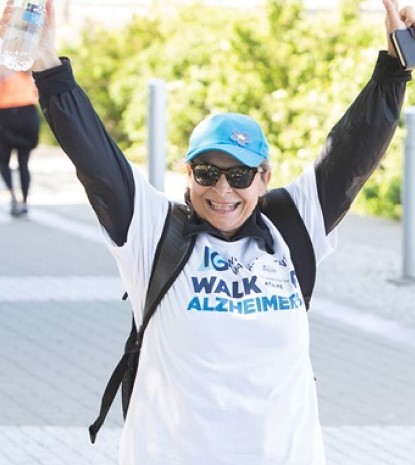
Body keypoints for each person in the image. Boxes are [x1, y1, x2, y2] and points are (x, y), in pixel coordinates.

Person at [1, 0, 412, 463]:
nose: (222, 189)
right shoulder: (153, 231)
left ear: (264, 178)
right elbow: (95, 155)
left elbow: (353, 150)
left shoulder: (293, 227)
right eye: (206, 172)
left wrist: (396, 68)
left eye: (239, 175)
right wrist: (48, 70)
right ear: (188, 174)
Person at [0, 66, 40, 216]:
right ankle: (24, 201)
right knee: (24, 163)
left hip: (7, 115)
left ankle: (14, 197)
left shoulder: (5, 68)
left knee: (3, 162)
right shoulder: (25, 67)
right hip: (28, 115)